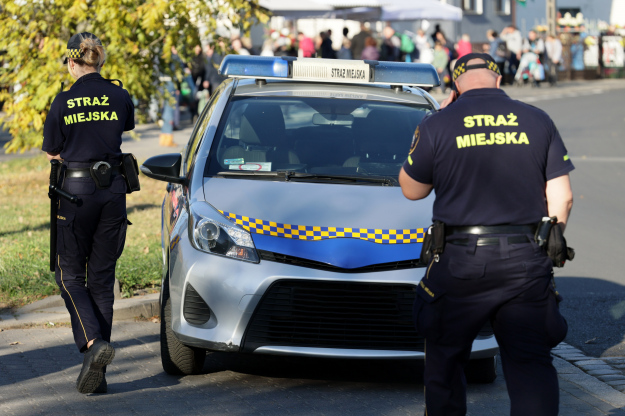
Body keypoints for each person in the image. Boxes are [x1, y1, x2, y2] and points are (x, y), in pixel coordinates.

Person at [399, 52, 574, 416]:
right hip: (524, 260)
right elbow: (563, 197)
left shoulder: (438, 123)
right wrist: (547, 243)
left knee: (445, 359)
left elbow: (412, 190)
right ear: (498, 79)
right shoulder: (537, 119)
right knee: (531, 364)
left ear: (455, 86)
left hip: (460, 260)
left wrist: (439, 118)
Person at [41, 32, 135, 394]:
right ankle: (98, 376)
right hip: (113, 191)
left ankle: (93, 343)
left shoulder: (63, 100)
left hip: (75, 193)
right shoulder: (119, 95)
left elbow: (52, 151)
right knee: (101, 280)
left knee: (68, 276)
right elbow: (125, 126)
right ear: (101, 60)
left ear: (71, 62)